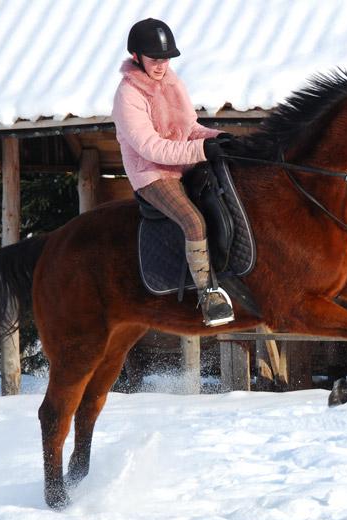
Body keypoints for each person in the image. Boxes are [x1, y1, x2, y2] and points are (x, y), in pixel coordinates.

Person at [112, 18, 234, 327]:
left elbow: (189, 128)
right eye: (155, 59)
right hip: (153, 175)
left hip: (183, 166)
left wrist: (216, 138)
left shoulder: (172, 81)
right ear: (137, 57)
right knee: (193, 221)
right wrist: (201, 151)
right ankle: (208, 295)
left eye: (166, 58)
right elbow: (152, 148)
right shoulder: (128, 95)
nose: (161, 65)